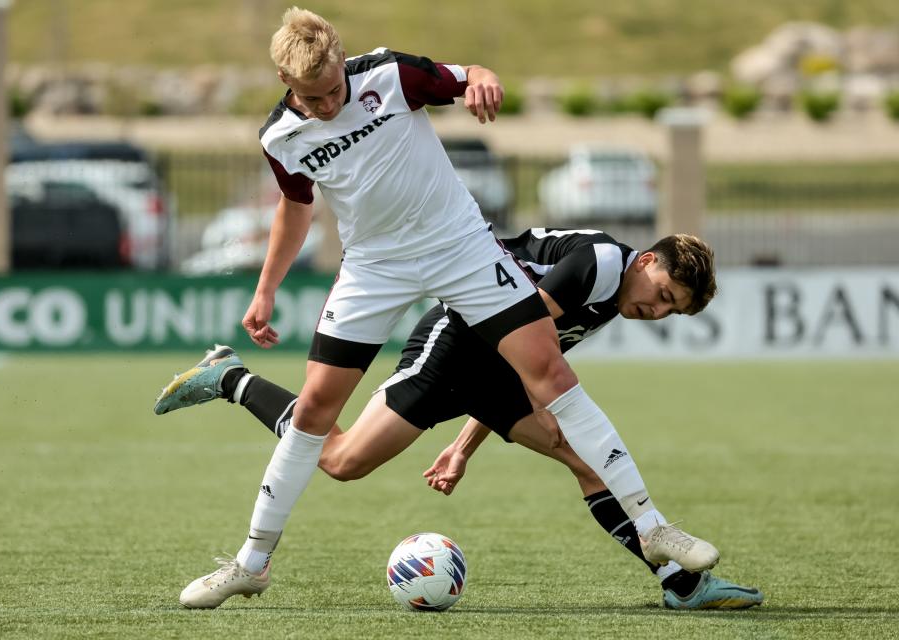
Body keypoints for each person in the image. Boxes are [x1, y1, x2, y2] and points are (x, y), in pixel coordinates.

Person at [166, 6, 719, 609]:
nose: (327, 107)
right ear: (285, 85)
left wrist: (482, 78)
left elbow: (468, 73)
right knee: (319, 416)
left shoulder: (390, 75)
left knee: (552, 375)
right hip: (374, 266)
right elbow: (295, 206)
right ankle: (251, 562)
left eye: (333, 93)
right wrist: (266, 287)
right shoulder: (281, 136)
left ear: (343, 64)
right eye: (312, 99)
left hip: (460, 247)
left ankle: (654, 523)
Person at [157, 228, 762, 610]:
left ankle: (681, 587)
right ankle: (230, 378)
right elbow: (516, 339)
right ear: (648, 261)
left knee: (581, 458)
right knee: (341, 460)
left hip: (491, 364)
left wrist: (465, 446)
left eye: (671, 311)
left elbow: (531, 362)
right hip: (455, 345)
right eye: (663, 294)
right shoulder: (600, 264)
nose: (657, 310)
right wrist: (486, 420)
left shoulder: (613, 295)